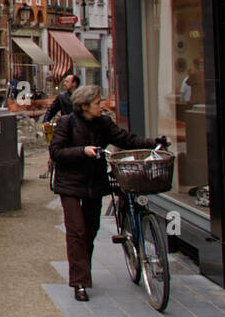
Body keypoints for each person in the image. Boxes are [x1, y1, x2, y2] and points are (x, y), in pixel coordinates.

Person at [48, 84, 166, 301]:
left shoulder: (103, 123)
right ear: (84, 106)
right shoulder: (67, 122)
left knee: (91, 230)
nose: (101, 106)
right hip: (70, 185)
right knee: (77, 232)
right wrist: (82, 151)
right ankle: (80, 283)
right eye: (97, 103)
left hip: (94, 184)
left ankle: (84, 272)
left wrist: (154, 143)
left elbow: (126, 140)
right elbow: (56, 151)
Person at [37, 73, 79, 178]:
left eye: (67, 81)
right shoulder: (62, 97)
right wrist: (46, 120)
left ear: (74, 84)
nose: (64, 83)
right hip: (67, 127)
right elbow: (52, 109)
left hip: (79, 128)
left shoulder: (82, 95)